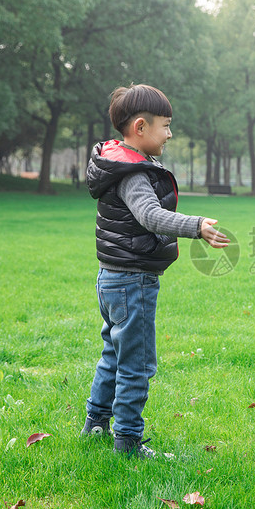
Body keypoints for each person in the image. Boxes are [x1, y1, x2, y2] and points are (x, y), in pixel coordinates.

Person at [81, 84, 230, 457]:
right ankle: (128, 441)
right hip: (132, 281)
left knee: (113, 354)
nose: (170, 134)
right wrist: (196, 226)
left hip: (112, 277)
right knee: (137, 362)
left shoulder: (118, 162)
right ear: (141, 127)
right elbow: (150, 216)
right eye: (166, 126)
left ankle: (96, 423)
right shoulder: (131, 172)